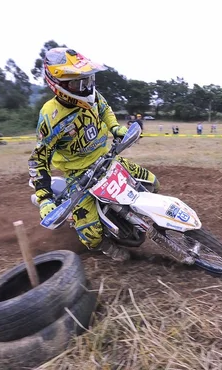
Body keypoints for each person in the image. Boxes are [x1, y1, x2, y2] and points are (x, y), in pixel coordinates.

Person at [28, 47, 160, 262]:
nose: (87, 87)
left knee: (153, 183)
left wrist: (116, 129)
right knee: (92, 235)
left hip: (107, 160)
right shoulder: (50, 117)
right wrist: (44, 199)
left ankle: (133, 215)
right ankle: (107, 247)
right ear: (59, 84)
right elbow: (38, 159)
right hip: (79, 177)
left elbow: (105, 109)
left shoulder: (93, 96)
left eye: (88, 80)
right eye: (79, 83)